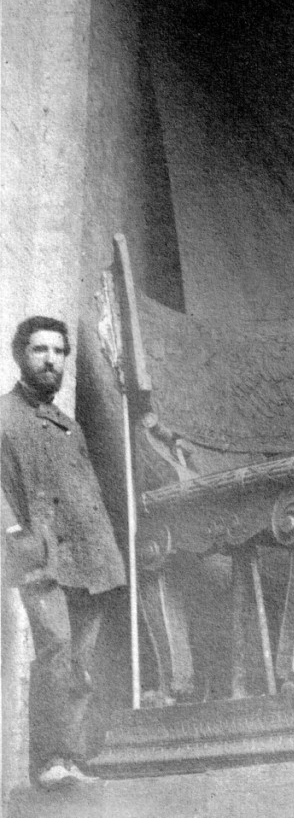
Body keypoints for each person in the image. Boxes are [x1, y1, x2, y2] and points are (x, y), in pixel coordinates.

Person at [1, 316, 126, 789]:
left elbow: (86, 496)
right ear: (20, 355)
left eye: (58, 351)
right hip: (40, 554)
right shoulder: (2, 415)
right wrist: (15, 533)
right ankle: (49, 762)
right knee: (53, 648)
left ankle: (71, 759)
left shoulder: (70, 426)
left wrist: (104, 552)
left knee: (81, 659)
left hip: (86, 558)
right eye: (39, 350)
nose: (51, 360)